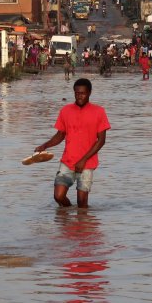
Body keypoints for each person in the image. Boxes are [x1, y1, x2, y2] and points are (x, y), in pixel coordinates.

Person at [34, 78, 110, 208]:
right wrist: (45, 145)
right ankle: (67, 217)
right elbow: (60, 135)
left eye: (83, 93)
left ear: (89, 93)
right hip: (67, 162)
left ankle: (81, 226)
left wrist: (83, 159)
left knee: (82, 202)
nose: (79, 96)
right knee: (58, 196)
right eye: (77, 93)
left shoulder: (99, 112)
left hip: (87, 164)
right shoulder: (66, 111)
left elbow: (101, 141)